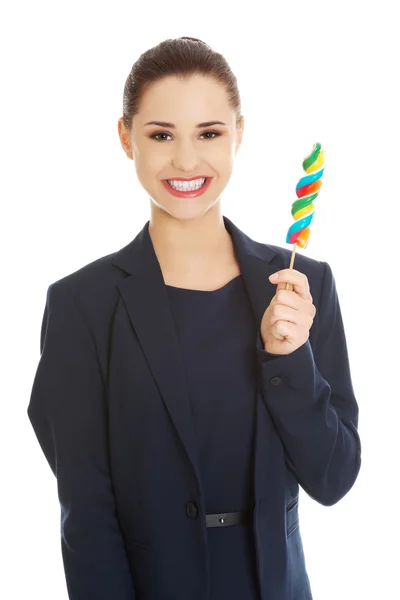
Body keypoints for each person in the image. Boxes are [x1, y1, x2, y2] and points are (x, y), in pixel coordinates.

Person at [27, 36, 362, 600]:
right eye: (162, 135)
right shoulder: (81, 306)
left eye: (209, 133)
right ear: (126, 138)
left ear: (239, 135)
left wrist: (290, 359)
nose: (186, 160)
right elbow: (86, 519)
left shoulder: (302, 288)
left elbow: (333, 479)